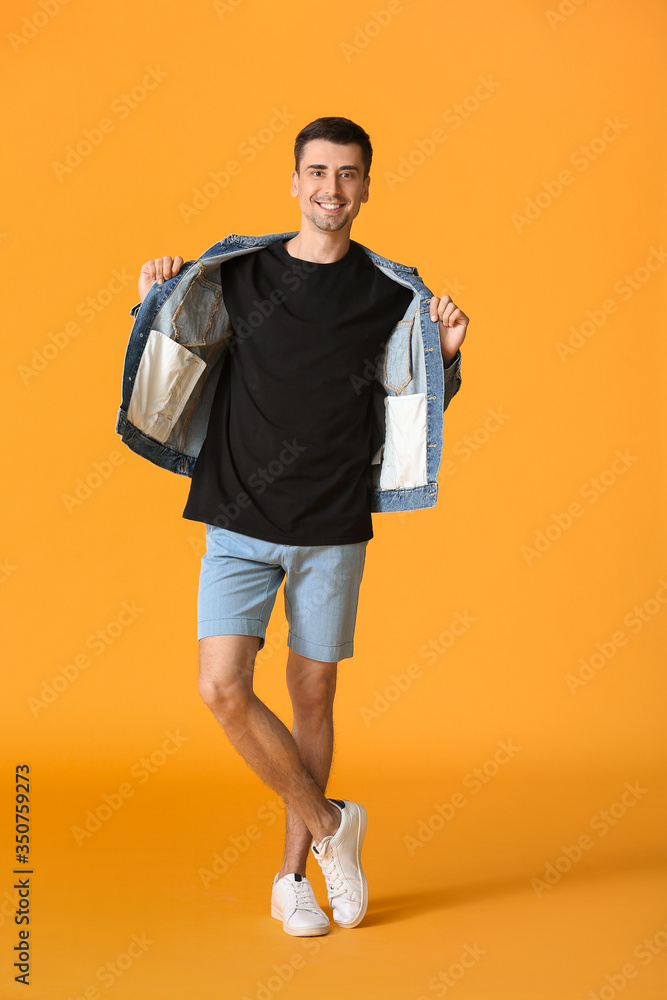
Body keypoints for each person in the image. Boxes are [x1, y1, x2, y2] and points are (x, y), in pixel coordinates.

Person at [134, 117, 468, 936]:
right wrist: (155, 299)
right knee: (221, 688)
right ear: (293, 182)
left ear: (365, 185)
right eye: (316, 172)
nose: (331, 189)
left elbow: (410, 411)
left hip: (332, 526)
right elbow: (178, 354)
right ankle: (330, 828)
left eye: (347, 174)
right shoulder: (239, 275)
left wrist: (448, 356)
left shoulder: (394, 296)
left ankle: (291, 881)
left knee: (311, 697)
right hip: (238, 516)